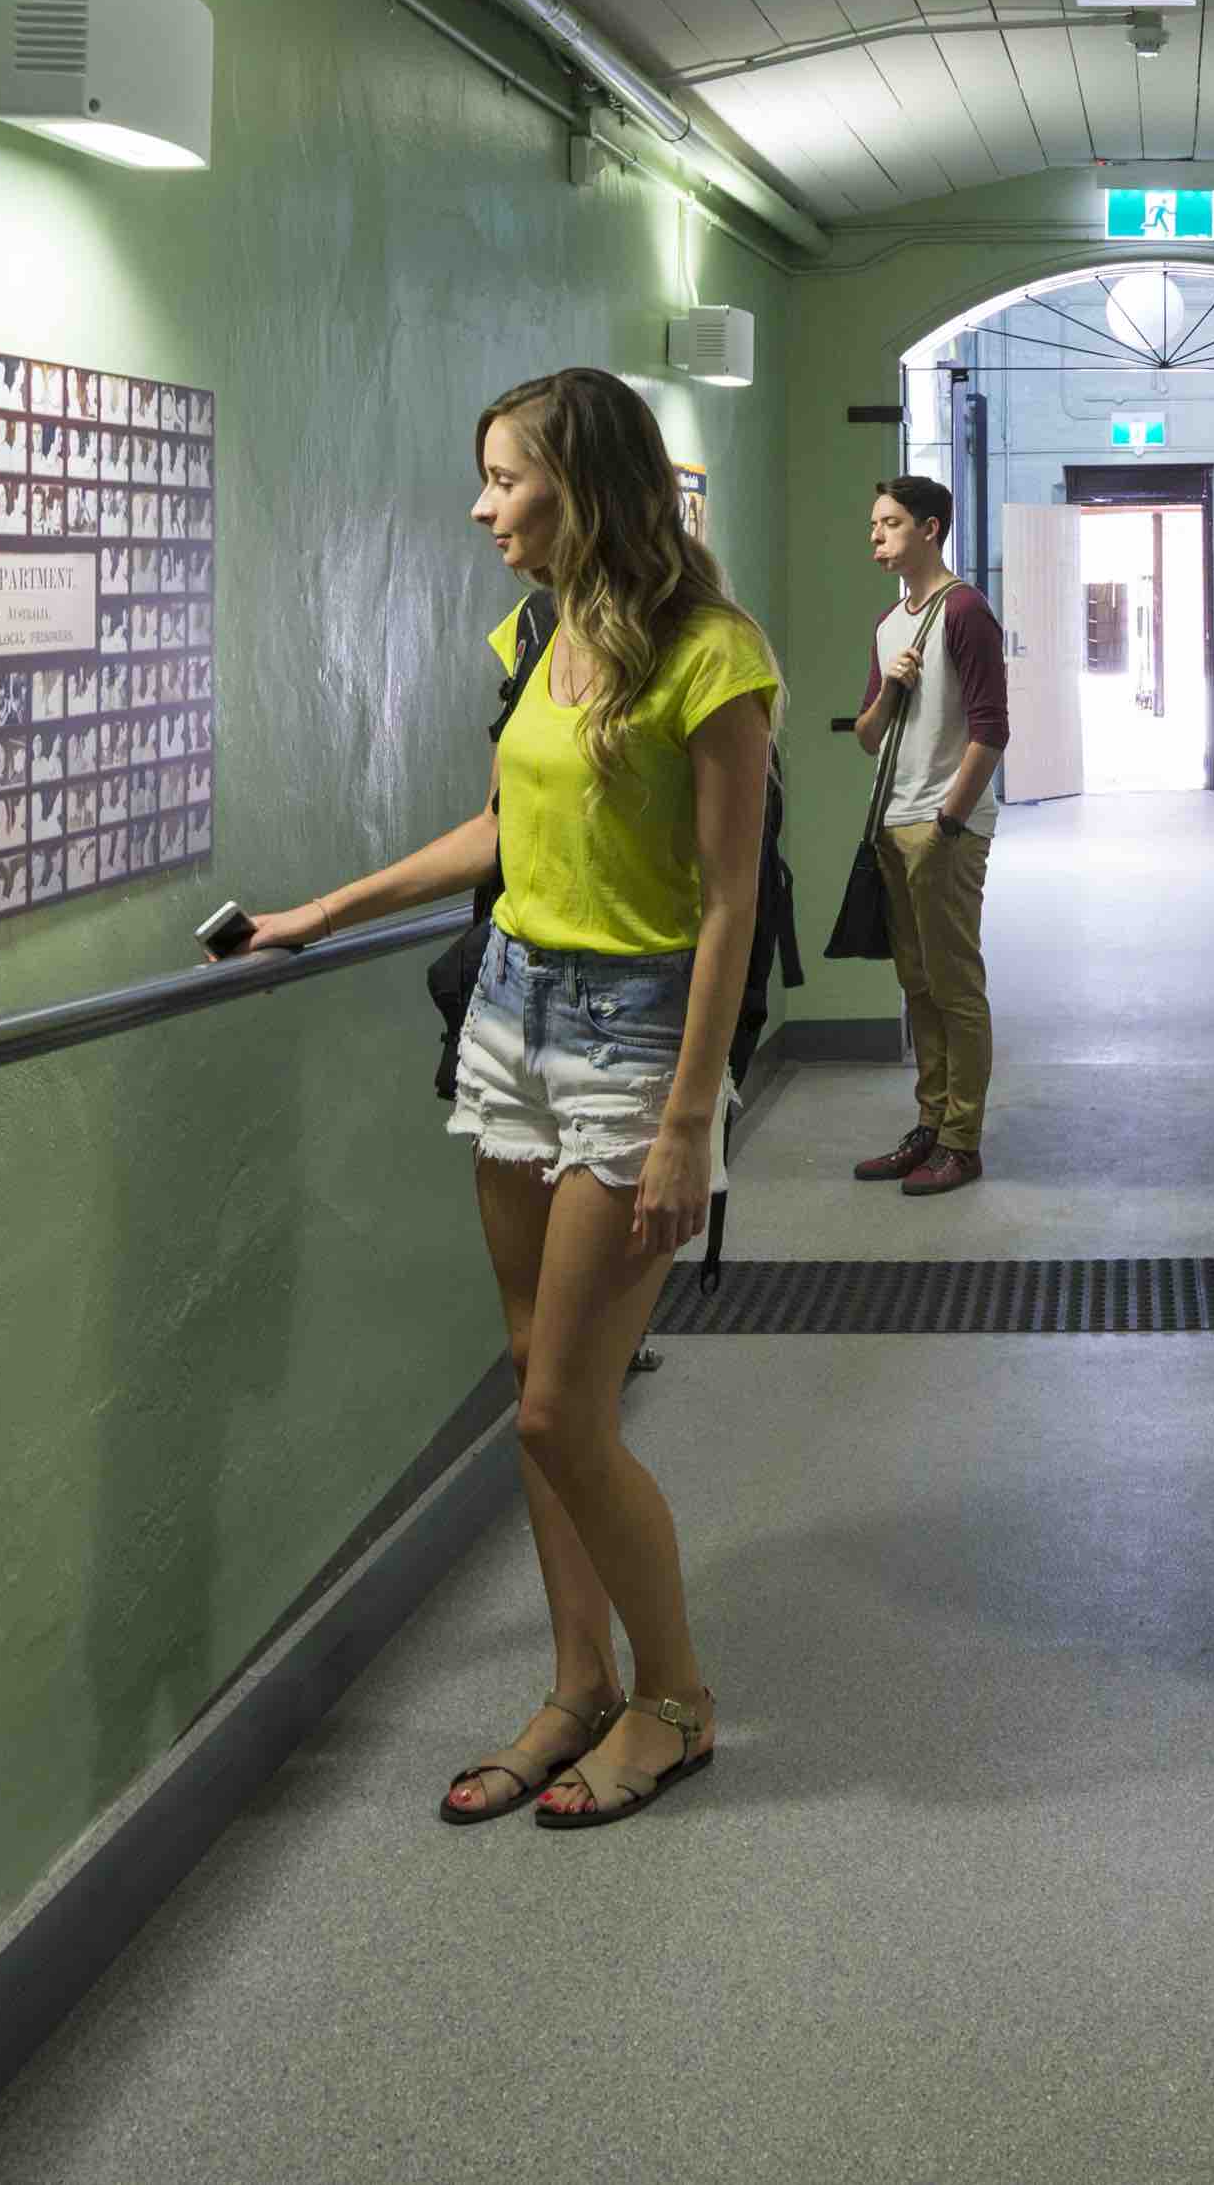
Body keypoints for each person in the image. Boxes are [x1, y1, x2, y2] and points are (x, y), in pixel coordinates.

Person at [236, 367, 776, 1828]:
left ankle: (675, 1701)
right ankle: (577, 1677)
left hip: (634, 1036)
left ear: (583, 483)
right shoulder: (541, 630)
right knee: (532, 1368)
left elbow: (728, 903)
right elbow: (502, 822)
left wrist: (686, 1117)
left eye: (504, 478)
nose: (482, 506)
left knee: (558, 1414)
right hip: (512, 1013)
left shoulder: (714, 653)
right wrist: (326, 908)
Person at [847, 475, 1010, 1197]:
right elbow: (865, 735)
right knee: (918, 986)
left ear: (931, 528)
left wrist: (949, 821)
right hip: (892, 821)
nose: (876, 537)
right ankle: (931, 1124)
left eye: (890, 524)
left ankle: (962, 1141)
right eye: (874, 525)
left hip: (943, 828)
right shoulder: (889, 625)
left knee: (955, 986)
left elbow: (991, 731)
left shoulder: (967, 612)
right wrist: (891, 688)